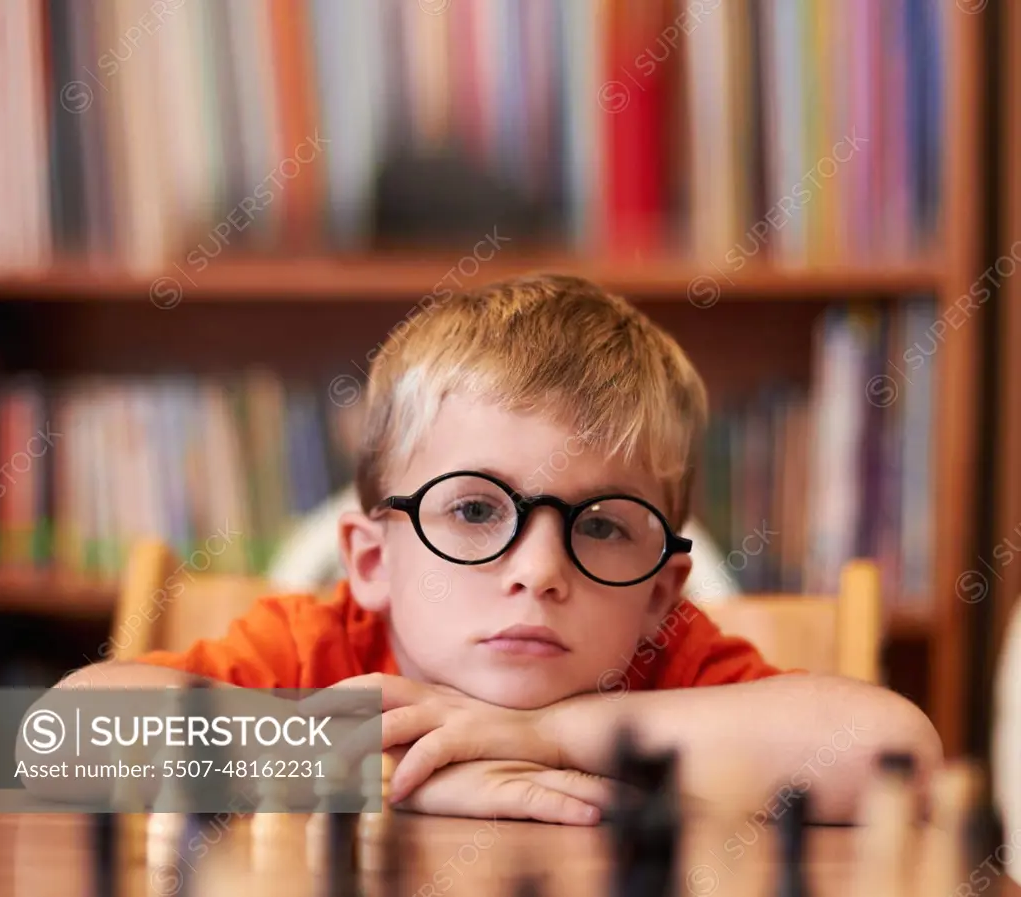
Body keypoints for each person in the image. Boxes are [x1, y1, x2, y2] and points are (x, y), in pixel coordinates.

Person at [54, 274, 941, 825]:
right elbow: (65, 739)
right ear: (371, 561)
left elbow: (892, 751)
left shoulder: (663, 660)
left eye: (600, 523)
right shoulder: (315, 648)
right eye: (476, 509)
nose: (538, 570)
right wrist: (382, 765)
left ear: (664, 593)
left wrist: (544, 734)